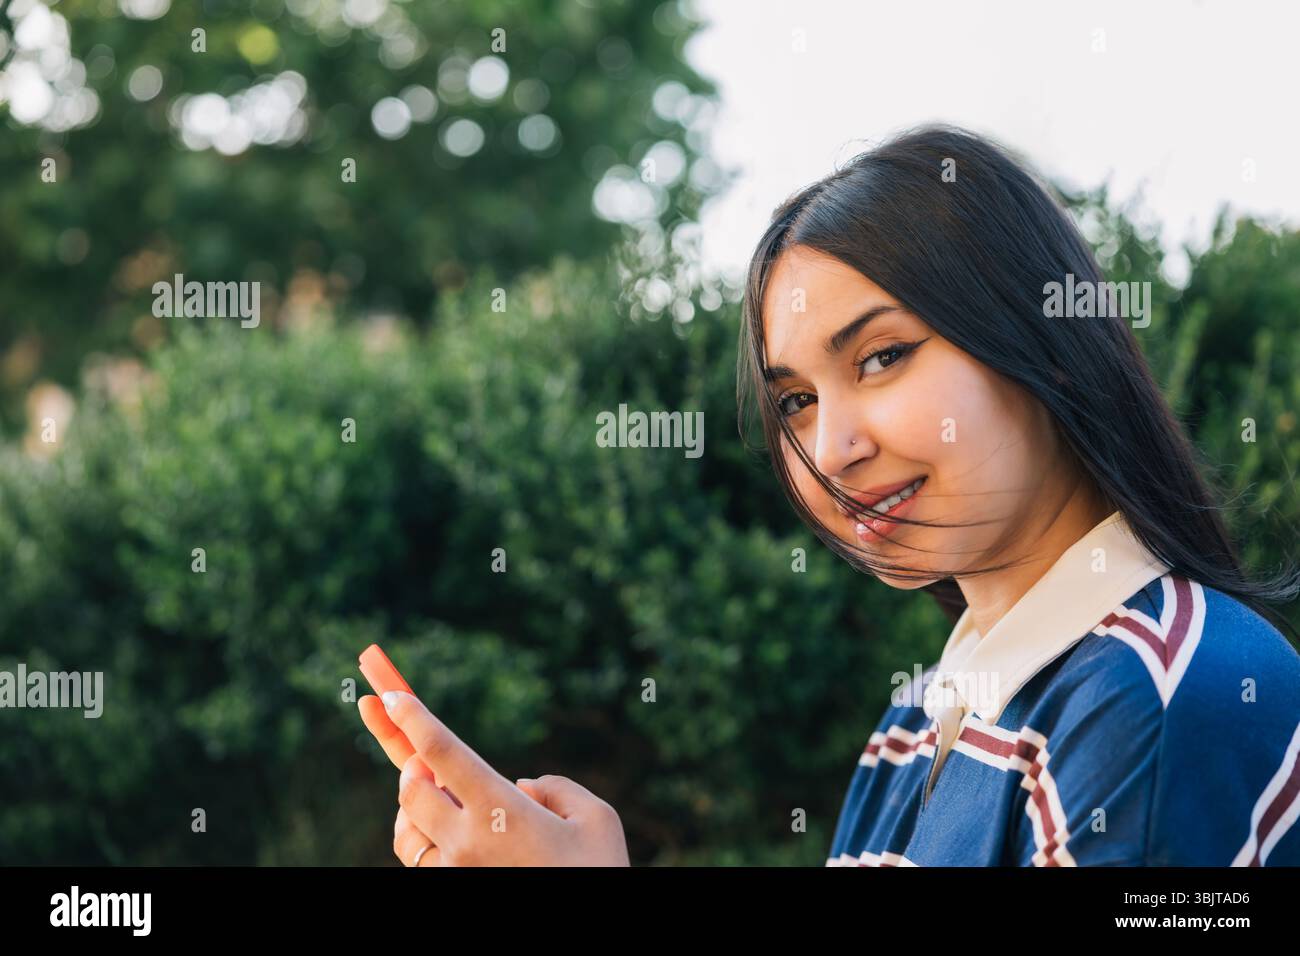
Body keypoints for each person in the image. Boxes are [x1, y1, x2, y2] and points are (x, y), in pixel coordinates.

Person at [359, 124, 1300, 866]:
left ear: (1046, 343)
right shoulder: (918, 719)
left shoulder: (1163, 701)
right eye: (797, 402)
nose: (832, 447)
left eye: (883, 356)